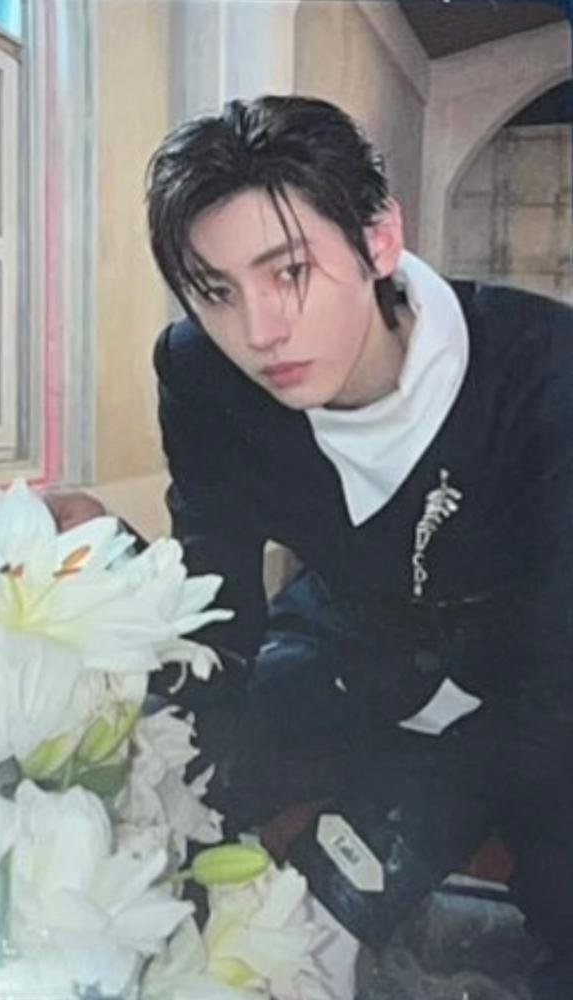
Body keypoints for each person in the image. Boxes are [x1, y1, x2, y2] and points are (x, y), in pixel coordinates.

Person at [144, 95, 573, 1000]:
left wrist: (368, 858)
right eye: (216, 290)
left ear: (378, 241)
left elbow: (552, 685)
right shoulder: (198, 370)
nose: (258, 332)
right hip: (343, 644)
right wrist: (179, 782)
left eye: (290, 272)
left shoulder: (547, 372)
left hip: (541, 679)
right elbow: (213, 591)